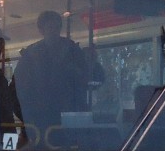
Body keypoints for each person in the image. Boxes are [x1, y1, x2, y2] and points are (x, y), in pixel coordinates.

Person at [12, 11, 100, 143]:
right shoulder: (30, 57)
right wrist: (28, 120)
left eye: (57, 27)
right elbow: (17, 92)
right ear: (41, 30)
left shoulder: (74, 52)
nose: (54, 31)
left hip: (73, 118)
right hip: (41, 122)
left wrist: (93, 65)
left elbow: (94, 81)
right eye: (50, 27)